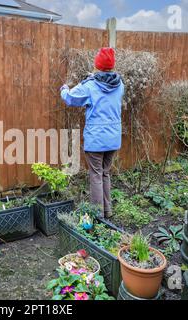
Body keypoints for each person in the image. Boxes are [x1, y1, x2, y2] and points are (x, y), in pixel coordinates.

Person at [60, 47, 124, 218]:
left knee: (95, 175)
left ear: (97, 65)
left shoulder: (90, 86)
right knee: (105, 173)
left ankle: (97, 215)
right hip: (113, 139)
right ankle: (107, 210)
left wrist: (64, 88)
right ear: (112, 66)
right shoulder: (120, 85)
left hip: (96, 140)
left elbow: (70, 98)